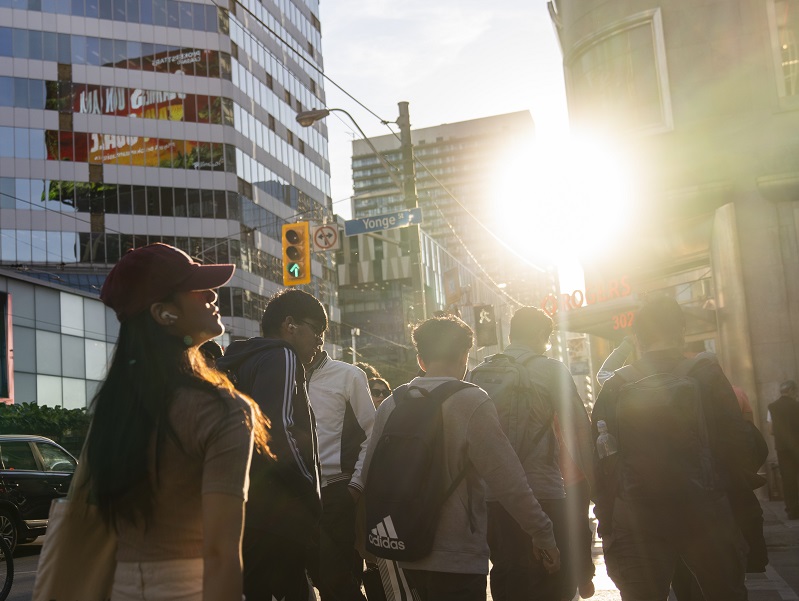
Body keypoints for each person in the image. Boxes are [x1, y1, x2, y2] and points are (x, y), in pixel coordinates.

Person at [86, 243, 268, 601]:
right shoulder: (222, 409)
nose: (212, 294)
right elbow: (219, 554)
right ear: (163, 313)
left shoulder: (112, 410)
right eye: (196, 288)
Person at [361, 315, 559, 601]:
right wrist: (543, 533)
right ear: (465, 356)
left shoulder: (393, 402)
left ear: (420, 359)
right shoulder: (471, 400)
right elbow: (508, 481)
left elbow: (369, 476)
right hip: (456, 560)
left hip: (398, 554)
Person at [591, 296, 749, 601]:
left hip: (638, 517)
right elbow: (737, 445)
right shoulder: (706, 374)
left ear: (637, 338)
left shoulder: (616, 385)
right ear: (682, 331)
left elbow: (599, 460)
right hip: (706, 513)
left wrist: (609, 519)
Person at [217, 289, 324, 601]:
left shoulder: (237, 361)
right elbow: (277, 429)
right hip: (280, 512)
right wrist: (310, 491)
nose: (319, 342)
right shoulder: (283, 355)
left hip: (243, 508)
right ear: (289, 324)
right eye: (316, 331)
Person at [485, 306, 595, 601]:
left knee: (507, 572)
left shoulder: (481, 372)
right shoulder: (550, 370)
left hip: (492, 497)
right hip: (543, 491)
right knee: (552, 575)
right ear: (540, 336)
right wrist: (599, 489)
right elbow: (580, 431)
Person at [305, 349, 376, 600]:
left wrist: (356, 485)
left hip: (337, 491)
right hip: (297, 493)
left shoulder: (349, 375)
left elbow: (372, 433)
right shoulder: (283, 376)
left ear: (317, 334)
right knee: (318, 578)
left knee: (340, 577)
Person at [768, 379, 799, 519]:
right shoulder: (796, 405)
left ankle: (792, 511)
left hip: (782, 449)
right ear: (792, 390)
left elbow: (771, 430)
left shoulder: (772, 407)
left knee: (787, 479)